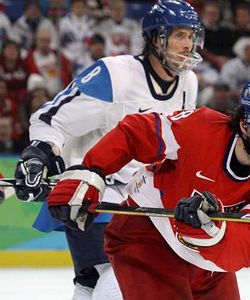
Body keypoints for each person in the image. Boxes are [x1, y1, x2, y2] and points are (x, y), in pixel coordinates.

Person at [46, 76, 250, 299]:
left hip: (210, 265)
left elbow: (248, 247)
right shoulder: (200, 128)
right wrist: (92, 171)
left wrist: (211, 229)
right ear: (244, 125)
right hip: (148, 234)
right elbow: (135, 133)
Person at [13, 1, 204, 299]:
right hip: (93, 192)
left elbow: (177, 146)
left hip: (142, 202)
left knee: (92, 283)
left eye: (191, 36)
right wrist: (41, 152)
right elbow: (52, 117)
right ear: (156, 39)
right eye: (179, 35)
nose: (188, 44)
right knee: (118, 280)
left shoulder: (188, 83)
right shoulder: (115, 74)